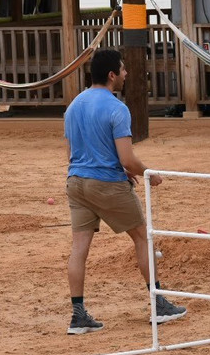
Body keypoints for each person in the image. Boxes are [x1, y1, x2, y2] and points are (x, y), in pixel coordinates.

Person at [63, 48, 187, 335]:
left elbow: (71, 153)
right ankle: (158, 305)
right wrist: (148, 174)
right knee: (142, 237)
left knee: (79, 249)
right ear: (111, 75)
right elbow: (127, 159)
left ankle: (78, 315)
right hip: (106, 183)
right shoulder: (117, 108)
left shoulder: (74, 106)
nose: (126, 73)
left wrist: (114, 168)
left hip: (76, 182)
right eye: (123, 69)